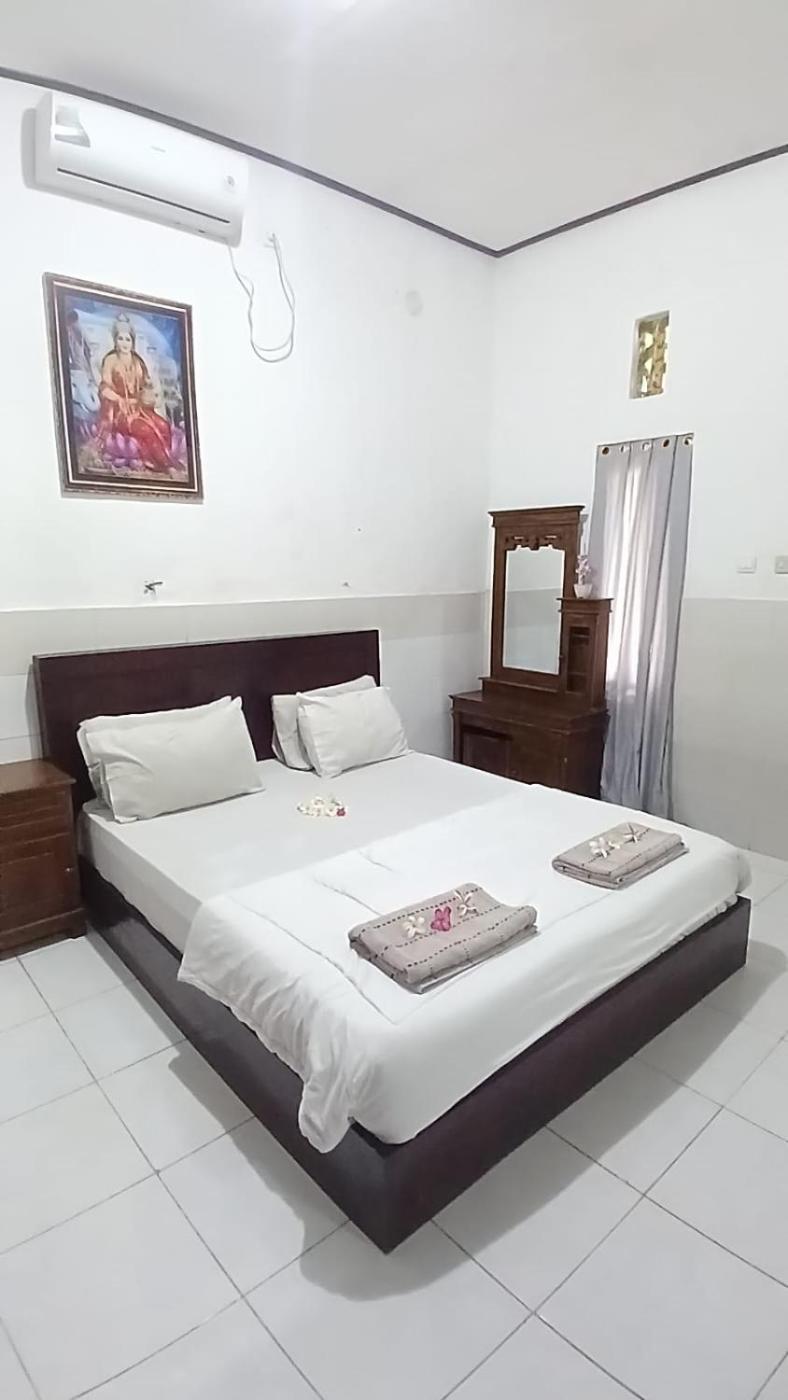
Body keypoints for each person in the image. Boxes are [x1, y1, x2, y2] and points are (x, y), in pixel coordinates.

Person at [97, 313, 174, 470]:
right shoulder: (110, 360)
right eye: (120, 338)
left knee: (163, 426)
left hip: (141, 408)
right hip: (120, 411)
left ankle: (161, 462)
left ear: (132, 341)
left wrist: (148, 395)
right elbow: (104, 388)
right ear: (115, 340)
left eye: (128, 339)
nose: (124, 343)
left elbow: (146, 386)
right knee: (145, 429)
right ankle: (162, 465)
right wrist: (120, 400)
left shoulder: (138, 362)